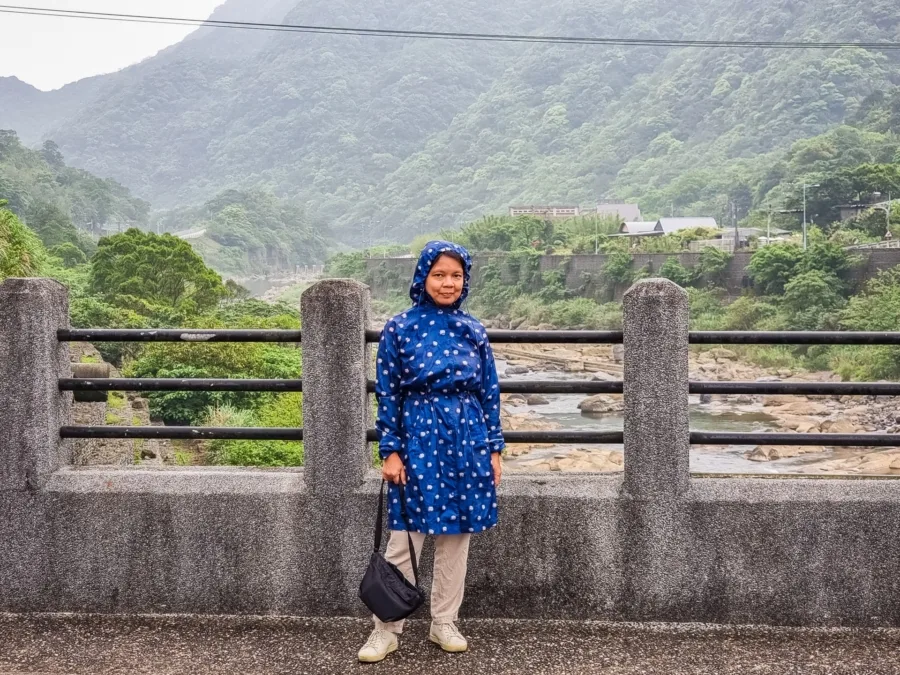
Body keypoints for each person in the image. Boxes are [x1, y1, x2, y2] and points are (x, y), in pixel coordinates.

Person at [358, 241, 505, 663]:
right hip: (418, 434)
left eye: (455, 276)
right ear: (423, 277)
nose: (447, 283)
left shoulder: (473, 330)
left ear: (465, 280)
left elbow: (488, 393)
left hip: (467, 437)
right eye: (439, 274)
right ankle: (386, 628)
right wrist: (391, 450)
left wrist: (494, 449)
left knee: (457, 537)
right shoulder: (399, 327)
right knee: (405, 536)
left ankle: (444, 622)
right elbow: (388, 394)